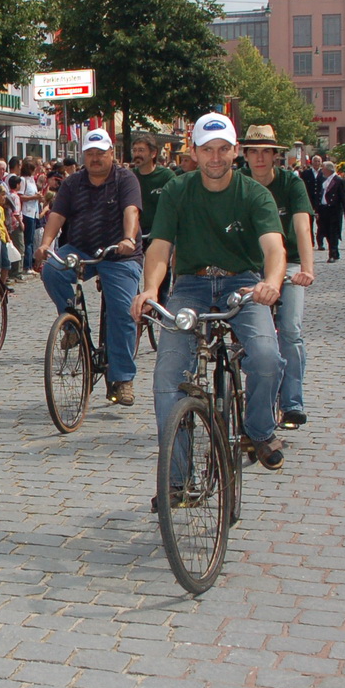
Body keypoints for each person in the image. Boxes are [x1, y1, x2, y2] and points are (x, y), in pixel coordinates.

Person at [133, 113, 287, 471]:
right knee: (168, 374)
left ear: (235, 151)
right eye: (207, 150)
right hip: (192, 285)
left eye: (222, 149)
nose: (215, 158)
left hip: (243, 283)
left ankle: (259, 430)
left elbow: (275, 248)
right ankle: (177, 478)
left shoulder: (254, 194)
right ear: (195, 152)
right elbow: (159, 247)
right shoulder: (177, 190)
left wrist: (272, 284)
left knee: (266, 357)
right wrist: (151, 289)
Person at [36, 128, 144, 406]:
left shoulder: (125, 179)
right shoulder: (73, 183)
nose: (95, 159)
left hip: (119, 254)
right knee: (52, 269)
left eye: (100, 153)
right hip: (81, 249)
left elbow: (131, 210)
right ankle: (72, 323)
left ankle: (122, 378)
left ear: (112, 154)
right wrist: (46, 244)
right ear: (83, 155)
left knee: (122, 311)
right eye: (90, 154)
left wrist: (129, 238)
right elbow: (57, 214)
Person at [243, 129, 315, 430]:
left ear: (275, 155)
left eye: (266, 151)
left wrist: (307, 270)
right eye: (253, 151)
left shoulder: (291, 184)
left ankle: (292, 402)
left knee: (290, 329)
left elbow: (302, 227)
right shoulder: (238, 185)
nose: (260, 157)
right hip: (250, 265)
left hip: (290, 264)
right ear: (245, 156)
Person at [131, 133, 175, 241]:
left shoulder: (166, 176)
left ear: (153, 153)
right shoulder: (129, 177)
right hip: (135, 233)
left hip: (160, 233)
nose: (137, 154)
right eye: (135, 150)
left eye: (141, 150)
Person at [316, 162, 345, 262]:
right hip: (323, 209)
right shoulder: (323, 179)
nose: (322, 171)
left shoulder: (338, 180)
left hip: (334, 210)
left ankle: (332, 253)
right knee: (325, 231)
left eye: (323, 169)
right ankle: (335, 252)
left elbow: (344, 197)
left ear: (329, 169)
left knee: (333, 232)